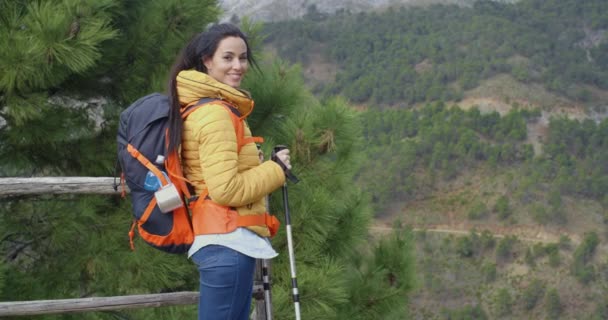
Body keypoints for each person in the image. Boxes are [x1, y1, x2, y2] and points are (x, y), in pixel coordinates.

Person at [166, 23, 292, 320]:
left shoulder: (201, 107)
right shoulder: (215, 114)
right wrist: (277, 170)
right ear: (206, 61)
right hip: (227, 242)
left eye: (243, 57)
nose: (238, 66)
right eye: (228, 58)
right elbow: (226, 189)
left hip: (220, 240)